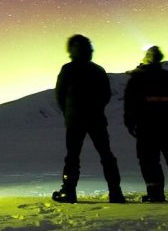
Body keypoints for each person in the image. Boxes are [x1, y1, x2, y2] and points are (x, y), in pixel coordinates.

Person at [52, 34, 125, 203]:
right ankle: (116, 192)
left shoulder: (68, 69)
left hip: (75, 120)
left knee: (72, 156)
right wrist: (96, 109)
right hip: (96, 118)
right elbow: (106, 94)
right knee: (106, 154)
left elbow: (60, 95)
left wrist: (69, 112)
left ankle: (69, 191)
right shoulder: (97, 70)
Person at [123, 46, 168, 203]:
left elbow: (130, 105)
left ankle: (155, 194)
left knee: (149, 161)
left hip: (146, 128)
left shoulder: (137, 80)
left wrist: (131, 124)